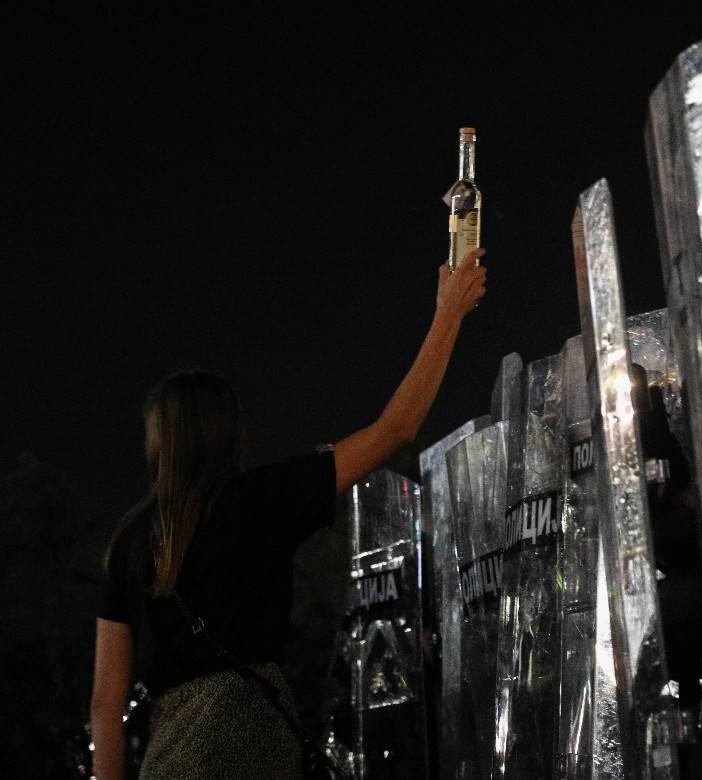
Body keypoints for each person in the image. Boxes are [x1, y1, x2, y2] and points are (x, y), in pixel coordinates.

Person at [90, 249, 488, 779]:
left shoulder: (131, 542)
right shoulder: (264, 498)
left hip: (174, 754)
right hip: (255, 742)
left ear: (158, 443)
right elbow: (395, 428)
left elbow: (103, 704)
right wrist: (448, 314)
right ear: (231, 433)